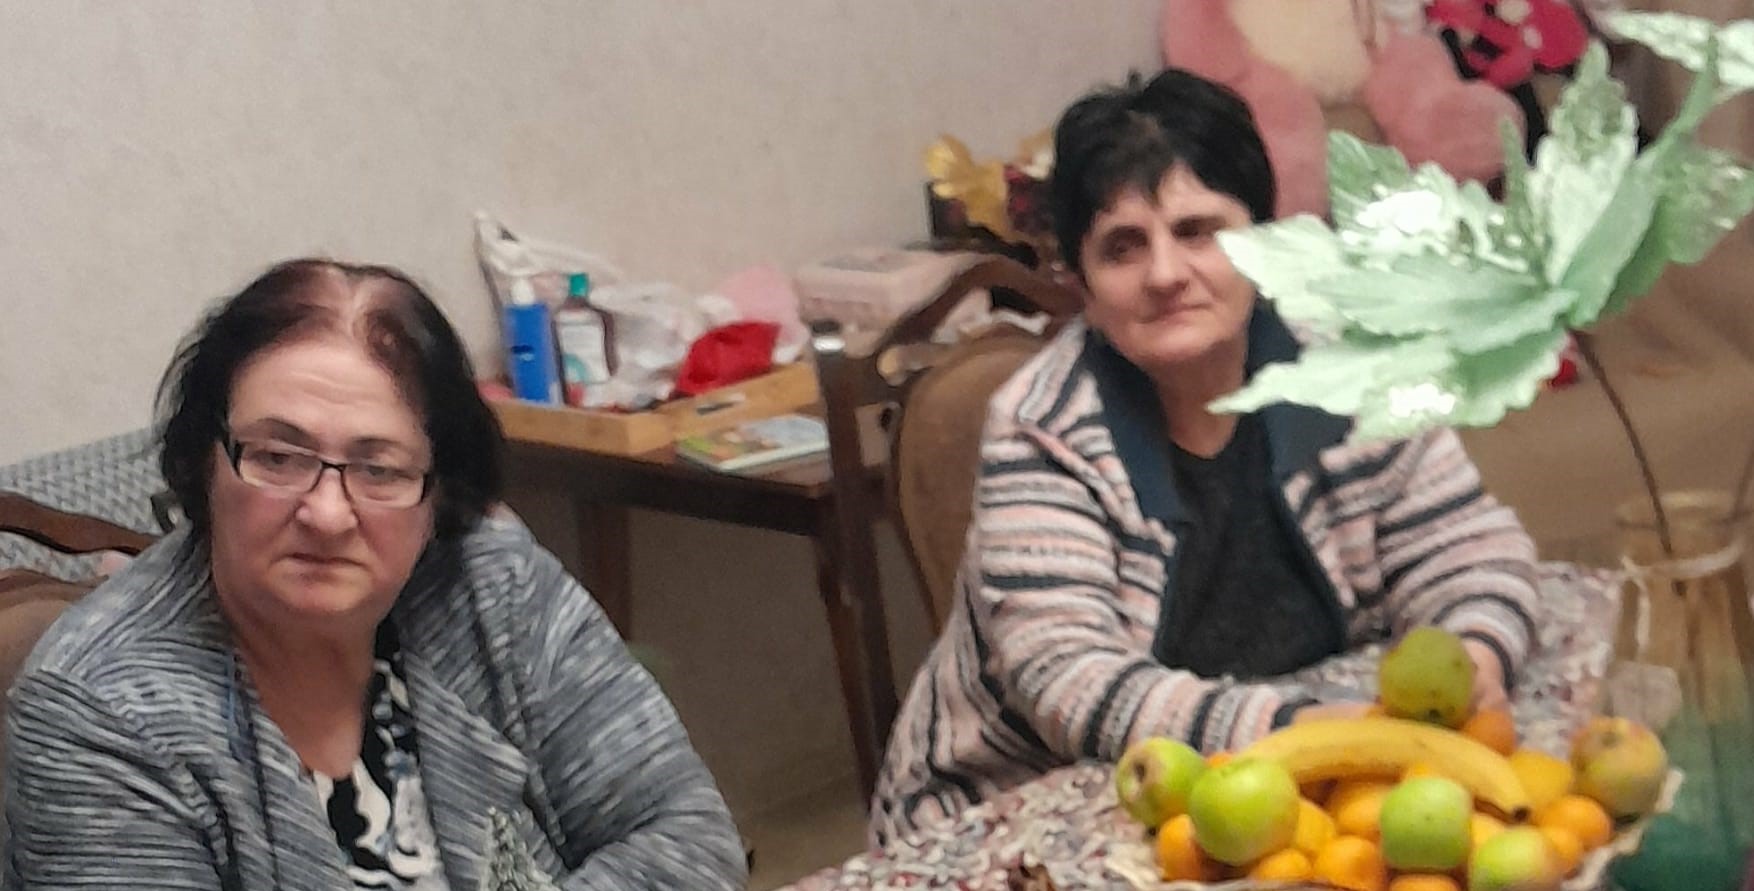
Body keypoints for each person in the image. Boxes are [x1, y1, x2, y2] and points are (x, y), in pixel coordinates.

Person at [871, 69, 1539, 844]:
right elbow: (1068, 680)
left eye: (1198, 231)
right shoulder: (1040, 427)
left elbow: (1466, 547)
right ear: (1082, 282)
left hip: (1261, 795)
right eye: (1123, 247)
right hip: (1013, 804)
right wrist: (1304, 731)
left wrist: (1474, 655)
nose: (1165, 274)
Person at [3, 259, 747, 890]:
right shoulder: (97, 709)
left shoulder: (490, 578)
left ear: (438, 493)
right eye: (278, 457)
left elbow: (689, 838)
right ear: (205, 463)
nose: (327, 513)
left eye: (379, 468)